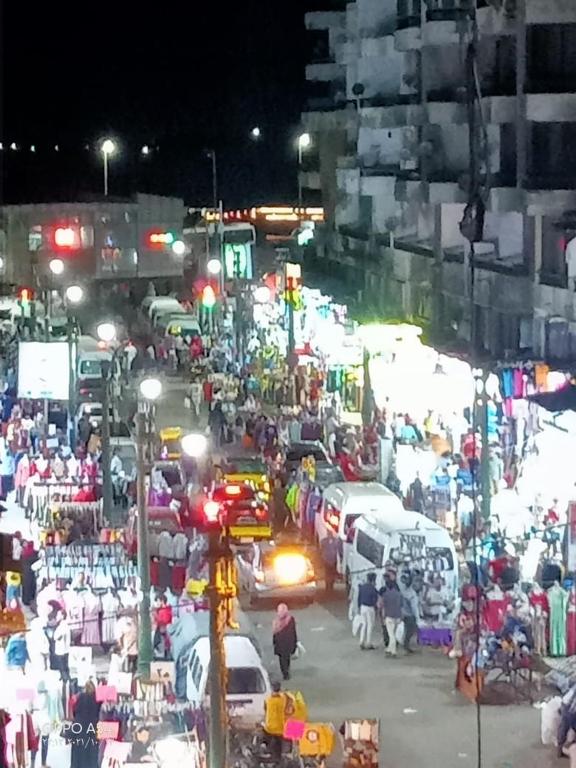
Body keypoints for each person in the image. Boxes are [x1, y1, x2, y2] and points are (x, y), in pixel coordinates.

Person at [70, 681, 101, 768]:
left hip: (79, 728)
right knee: (91, 751)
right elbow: (98, 713)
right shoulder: (96, 699)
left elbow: (75, 711)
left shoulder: (80, 697)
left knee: (78, 751)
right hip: (91, 728)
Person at [379, 571, 403, 657]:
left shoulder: (385, 595)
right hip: (397, 616)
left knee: (391, 635)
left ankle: (393, 651)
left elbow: (381, 605)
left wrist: (383, 616)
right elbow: (401, 605)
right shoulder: (399, 594)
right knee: (394, 633)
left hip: (389, 616)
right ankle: (389, 649)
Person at [264, 681, 288, 762]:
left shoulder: (268, 700)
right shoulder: (283, 700)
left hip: (269, 727)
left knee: (264, 733)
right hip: (281, 728)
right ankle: (279, 756)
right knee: (279, 743)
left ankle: (266, 747)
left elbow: (265, 709)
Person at [272, 603, 297, 680]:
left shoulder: (276, 621)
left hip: (280, 643)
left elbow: (274, 633)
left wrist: (274, 642)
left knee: (282, 659)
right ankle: (286, 672)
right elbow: (293, 632)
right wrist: (295, 642)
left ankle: (284, 672)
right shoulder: (290, 619)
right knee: (287, 658)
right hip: (288, 643)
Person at [357, 573, 379, 650]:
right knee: (370, 625)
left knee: (364, 624)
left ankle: (361, 641)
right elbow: (375, 600)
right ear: (373, 580)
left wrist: (359, 607)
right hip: (370, 608)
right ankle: (368, 642)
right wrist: (375, 608)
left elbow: (359, 598)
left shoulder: (362, 587)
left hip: (363, 607)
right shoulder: (373, 588)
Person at [400, 576, 420, 654]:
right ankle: (406, 646)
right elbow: (414, 607)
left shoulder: (403, 591)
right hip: (410, 615)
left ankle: (405, 645)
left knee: (407, 630)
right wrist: (417, 618)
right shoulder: (412, 593)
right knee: (410, 631)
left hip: (404, 613)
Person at [52, 609, 70, 681]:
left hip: (62, 651)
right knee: (64, 670)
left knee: (63, 670)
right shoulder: (62, 625)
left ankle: (66, 685)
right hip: (63, 650)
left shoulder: (63, 626)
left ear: (62, 616)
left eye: (58, 615)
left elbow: (57, 637)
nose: (56, 616)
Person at [320, 530, 339, 595]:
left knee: (332, 574)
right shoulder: (324, 541)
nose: (329, 535)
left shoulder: (336, 541)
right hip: (326, 560)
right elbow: (321, 549)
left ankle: (331, 586)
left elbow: (337, 549)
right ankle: (327, 586)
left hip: (333, 560)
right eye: (328, 534)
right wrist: (323, 557)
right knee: (327, 574)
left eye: (330, 534)